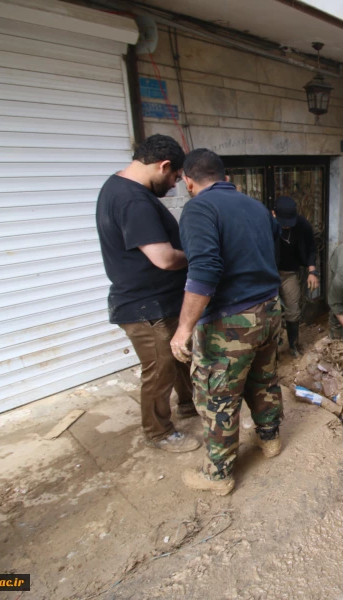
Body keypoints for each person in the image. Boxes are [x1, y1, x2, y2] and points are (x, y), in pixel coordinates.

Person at [169, 149, 284, 496]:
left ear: (189, 182)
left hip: (230, 322)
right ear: (226, 178)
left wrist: (183, 329)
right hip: (269, 309)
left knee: (218, 396)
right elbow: (271, 247)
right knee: (263, 378)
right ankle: (270, 439)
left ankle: (218, 475)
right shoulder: (256, 206)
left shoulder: (199, 209)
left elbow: (203, 270)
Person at [95, 134, 201, 453]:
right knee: (160, 369)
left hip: (158, 301)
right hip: (146, 308)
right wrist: (199, 255)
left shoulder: (120, 187)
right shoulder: (133, 200)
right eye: (175, 177)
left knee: (178, 358)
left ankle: (188, 405)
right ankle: (158, 431)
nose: (174, 185)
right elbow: (164, 258)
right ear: (163, 165)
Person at [272, 196, 319, 357]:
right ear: (273, 214)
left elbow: (312, 249)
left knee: (293, 309)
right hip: (269, 274)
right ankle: (272, 350)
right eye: (282, 221)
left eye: (289, 221)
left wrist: (312, 272)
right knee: (272, 312)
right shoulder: (266, 225)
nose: (285, 225)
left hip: (289, 273)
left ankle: (293, 345)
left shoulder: (302, 225)